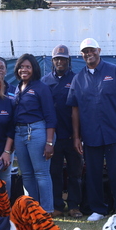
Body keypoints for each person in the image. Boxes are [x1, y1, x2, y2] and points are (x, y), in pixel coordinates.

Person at [67, 38, 116, 222]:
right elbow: (75, 109)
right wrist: (76, 136)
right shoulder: (78, 79)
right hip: (91, 135)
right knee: (93, 173)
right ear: (81, 55)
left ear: (99, 50)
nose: (89, 53)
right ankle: (98, 209)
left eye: (92, 50)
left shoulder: (114, 71)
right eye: (85, 51)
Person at [12, 53, 57, 213]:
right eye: (21, 67)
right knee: (27, 174)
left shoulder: (41, 87)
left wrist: (49, 142)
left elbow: (50, 116)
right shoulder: (17, 88)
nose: (24, 70)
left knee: (41, 173)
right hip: (20, 133)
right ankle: (32, 210)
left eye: (28, 67)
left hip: (37, 132)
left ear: (34, 69)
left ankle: (46, 210)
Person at [42, 45, 84, 218]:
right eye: (57, 59)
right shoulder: (45, 82)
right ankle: (57, 205)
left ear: (69, 61)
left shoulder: (76, 79)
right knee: (55, 173)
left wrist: (79, 136)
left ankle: (74, 205)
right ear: (52, 61)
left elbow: (80, 109)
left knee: (75, 173)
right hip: (53, 137)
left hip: (73, 136)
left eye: (63, 59)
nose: (60, 62)